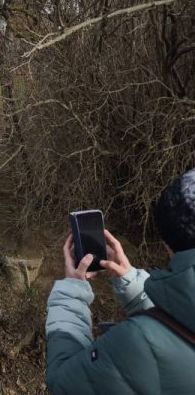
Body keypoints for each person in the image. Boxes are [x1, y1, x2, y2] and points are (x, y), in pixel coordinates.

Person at [46, 167, 195, 395]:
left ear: (170, 241)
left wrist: (71, 293)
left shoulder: (137, 343)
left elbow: (63, 383)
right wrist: (133, 284)